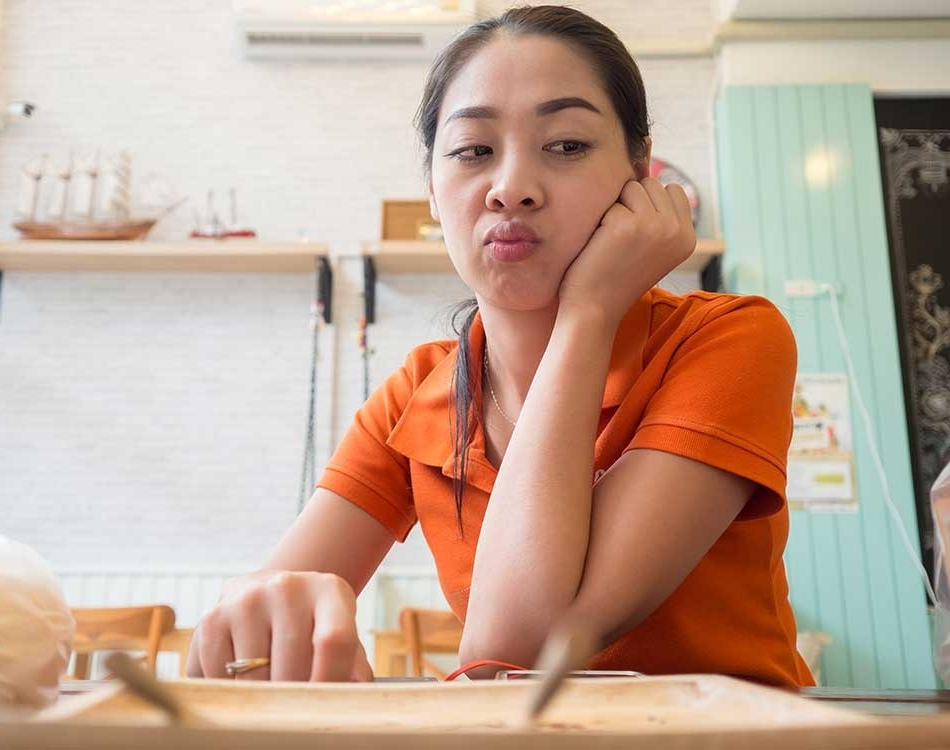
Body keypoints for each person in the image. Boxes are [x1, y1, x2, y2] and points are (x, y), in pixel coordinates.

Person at [187, 4, 814, 687]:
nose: (511, 188)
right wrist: (261, 619)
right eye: (473, 152)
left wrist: (589, 310)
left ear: (639, 169)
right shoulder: (421, 390)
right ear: (432, 188)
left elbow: (523, 645)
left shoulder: (729, 338)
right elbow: (238, 640)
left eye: (568, 145)